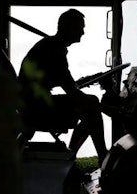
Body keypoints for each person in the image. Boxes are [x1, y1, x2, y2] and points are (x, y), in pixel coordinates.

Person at [18, 9, 110, 165]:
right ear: (69, 28)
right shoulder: (55, 50)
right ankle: (102, 157)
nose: (83, 32)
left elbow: (62, 81)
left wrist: (83, 84)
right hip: (37, 108)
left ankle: (74, 153)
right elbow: (71, 91)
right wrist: (103, 107)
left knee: (88, 103)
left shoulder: (49, 46)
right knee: (90, 105)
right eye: (80, 27)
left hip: (31, 105)